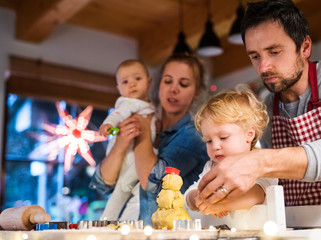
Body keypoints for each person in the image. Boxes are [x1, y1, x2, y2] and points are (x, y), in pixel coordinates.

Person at [197, 0, 321, 210]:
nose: (264, 67)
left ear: (305, 47)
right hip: (292, 225)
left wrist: (259, 161)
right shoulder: (265, 105)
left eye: (274, 52)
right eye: (255, 56)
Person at [91, 54, 208, 225]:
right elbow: (103, 185)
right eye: (168, 81)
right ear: (158, 84)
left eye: (183, 84)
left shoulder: (193, 135)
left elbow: (152, 183)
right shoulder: (150, 121)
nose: (173, 89)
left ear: (196, 92)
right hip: (125, 231)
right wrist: (120, 144)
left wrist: (143, 135)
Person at [184, 89, 277, 218]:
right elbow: (192, 192)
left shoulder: (260, 163)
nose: (215, 146)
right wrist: (197, 199)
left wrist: (222, 204)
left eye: (223, 137)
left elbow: (257, 194)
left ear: (249, 134)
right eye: (208, 141)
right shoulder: (211, 167)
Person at [91, 59, 156, 220]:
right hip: (129, 155)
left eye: (137, 79)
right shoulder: (129, 103)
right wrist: (108, 124)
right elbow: (116, 115)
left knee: (131, 196)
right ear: (119, 88)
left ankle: (115, 223)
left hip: (138, 159)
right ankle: (108, 223)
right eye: (125, 81)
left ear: (148, 82)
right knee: (121, 192)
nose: (132, 84)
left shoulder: (148, 107)